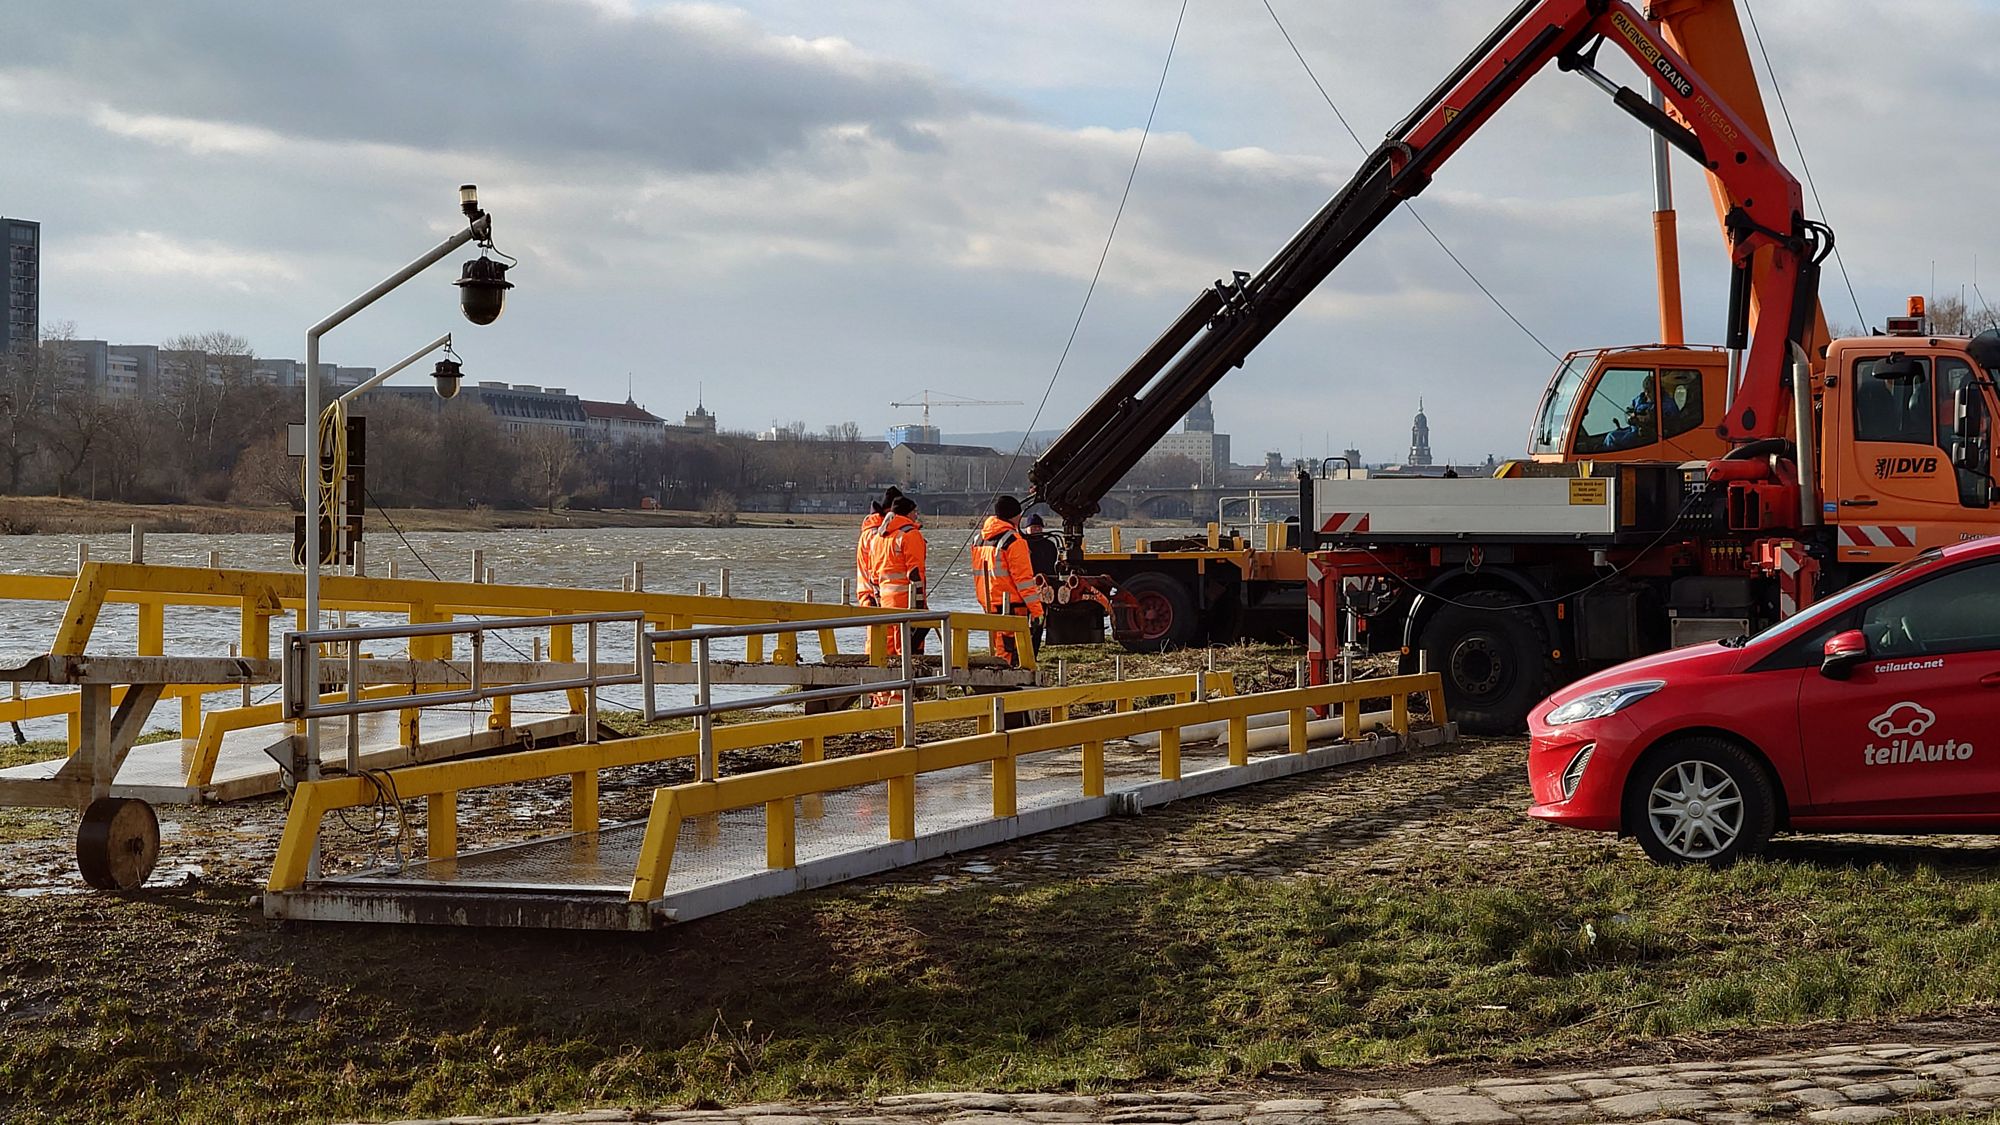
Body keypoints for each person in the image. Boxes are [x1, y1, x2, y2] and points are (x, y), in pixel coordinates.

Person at [972, 495, 1044, 667]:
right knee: (1009, 653)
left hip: (988, 602)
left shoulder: (979, 539)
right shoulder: (1013, 541)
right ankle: (1005, 687)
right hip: (1011, 605)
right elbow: (1024, 580)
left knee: (999, 646)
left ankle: (998, 681)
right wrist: (1037, 611)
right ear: (1016, 516)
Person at [868, 494, 927, 658]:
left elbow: (873, 572)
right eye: (915, 511)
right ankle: (911, 679)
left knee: (889, 650)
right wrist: (920, 602)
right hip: (905, 600)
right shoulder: (910, 535)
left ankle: (889, 679)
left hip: (885, 600)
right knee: (910, 648)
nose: (916, 515)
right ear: (908, 513)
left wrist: (878, 597)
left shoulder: (878, 538)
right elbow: (915, 572)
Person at [1021, 513, 1060, 652]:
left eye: (1039, 527)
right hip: (1024, 590)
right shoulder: (1022, 545)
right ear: (1026, 529)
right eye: (1033, 527)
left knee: (1039, 622)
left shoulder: (1049, 545)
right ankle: (1021, 651)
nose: (1037, 530)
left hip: (1044, 588)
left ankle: (1034, 651)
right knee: (1022, 622)